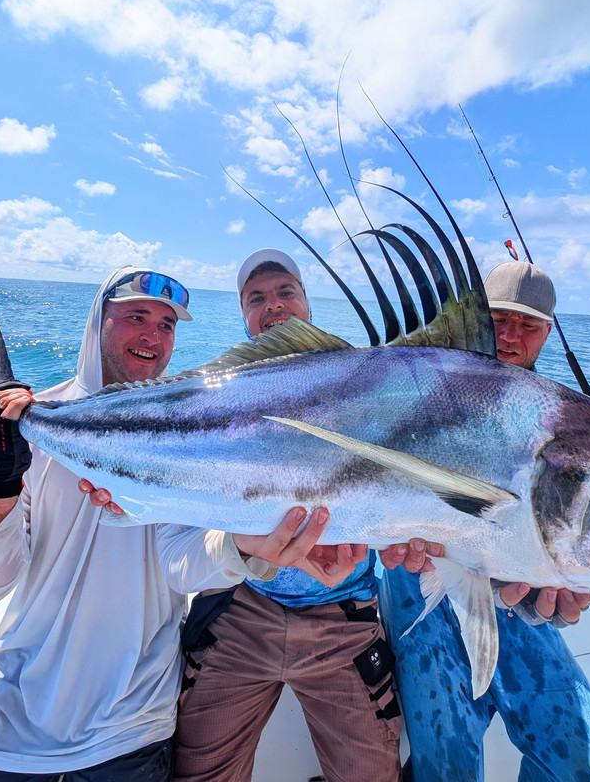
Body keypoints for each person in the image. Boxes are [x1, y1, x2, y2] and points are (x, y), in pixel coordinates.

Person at [0, 266, 362, 782]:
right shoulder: (33, 426)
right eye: (137, 317)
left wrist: (245, 546)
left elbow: (179, 560)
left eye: (167, 325)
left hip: (131, 732)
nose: (153, 336)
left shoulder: (191, 428)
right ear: (98, 322)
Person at [379, 261, 590, 782]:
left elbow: (545, 551)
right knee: (444, 765)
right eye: (499, 319)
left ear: (547, 334)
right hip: (419, 587)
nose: (511, 336)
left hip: (510, 607)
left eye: (528, 325)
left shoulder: (568, 424)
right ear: (474, 318)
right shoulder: (414, 380)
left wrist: (556, 594)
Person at [170, 250, 411, 782]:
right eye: (257, 298)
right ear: (243, 314)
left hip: (342, 620)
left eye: (285, 292)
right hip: (239, 612)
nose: (273, 305)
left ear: (305, 302)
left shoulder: (361, 383)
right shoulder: (216, 394)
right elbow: (186, 513)